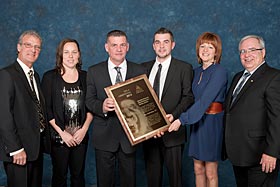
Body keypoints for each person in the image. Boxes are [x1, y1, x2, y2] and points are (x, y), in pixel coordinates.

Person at [86, 30, 145, 187]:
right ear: (107, 47)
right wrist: (102, 106)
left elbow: (145, 103)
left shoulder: (139, 71)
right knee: (105, 183)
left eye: (122, 45)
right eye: (114, 45)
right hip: (104, 137)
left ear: (128, 47)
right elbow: (89, 101)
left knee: (129, 182)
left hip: (130, 137)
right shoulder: (94, 71)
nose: (119, 49)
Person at [169, 32, 228, 187]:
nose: (206, 50)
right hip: (197, 123)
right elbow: (188, 99)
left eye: (210, 47)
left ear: (217, 51)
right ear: (198, 49)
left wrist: (181, 120)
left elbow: (204, 101)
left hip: (212, 123)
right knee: (198, 169)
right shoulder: (194, 72)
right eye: (202, 46)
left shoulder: (219, 71)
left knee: (210, 172)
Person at [223, 35, 280, 186]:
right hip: (240, 154)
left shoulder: (274, 77)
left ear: (263, 52)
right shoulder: (237, 77)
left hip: (261, 156)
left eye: (252, 50)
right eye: (242, 51)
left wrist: (272, 152)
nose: (246, 55)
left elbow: (277, 118)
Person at [142, 27, 194, 187]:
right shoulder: (142, 68)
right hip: (149, 134)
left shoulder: (184, 68)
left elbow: (188, 97)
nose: (161, 46)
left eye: (166, 42)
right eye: (158, 42)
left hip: (173, 133)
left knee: (175, 179)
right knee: (153, 179)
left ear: (173, 45)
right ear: (153, 46)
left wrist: (174, 115)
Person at [0, 30, 51, 187]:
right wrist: (15, 149)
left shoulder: (34, 76)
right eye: (29, 45)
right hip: (19, 151)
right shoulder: (6, 74)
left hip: (35, 149)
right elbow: (3, 115)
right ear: (19, 47)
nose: (33, 50)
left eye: (37, 47)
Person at [41, 38, 93, 187]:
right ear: (60, 55)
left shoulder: (86, 76)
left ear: (79, 55)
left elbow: (91, 106)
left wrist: (84, 129)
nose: (70, 56)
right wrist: (62, 132)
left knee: (78, 176)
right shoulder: (50, 77)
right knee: (60, 176)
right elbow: (47, 109)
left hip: (80, 137)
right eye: (66, 52)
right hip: (59, 138)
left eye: (74, 52)